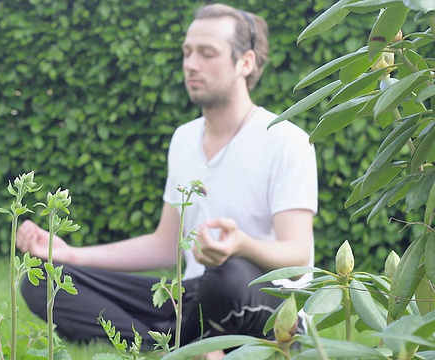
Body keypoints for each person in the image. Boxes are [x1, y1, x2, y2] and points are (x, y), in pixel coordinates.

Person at [16, 3, 317, 358]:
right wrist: (71, 254)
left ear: (245, 62)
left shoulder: (284, 139)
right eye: (187, 52)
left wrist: (241, 245)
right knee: (44, 281)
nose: (191, 64)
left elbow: (298, 257)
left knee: (227, 273)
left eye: (207, 54)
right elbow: (165, 244)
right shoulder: (184, 139)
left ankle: (188, 342)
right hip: (192, 297)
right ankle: (180, 345)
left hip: (265, 304)